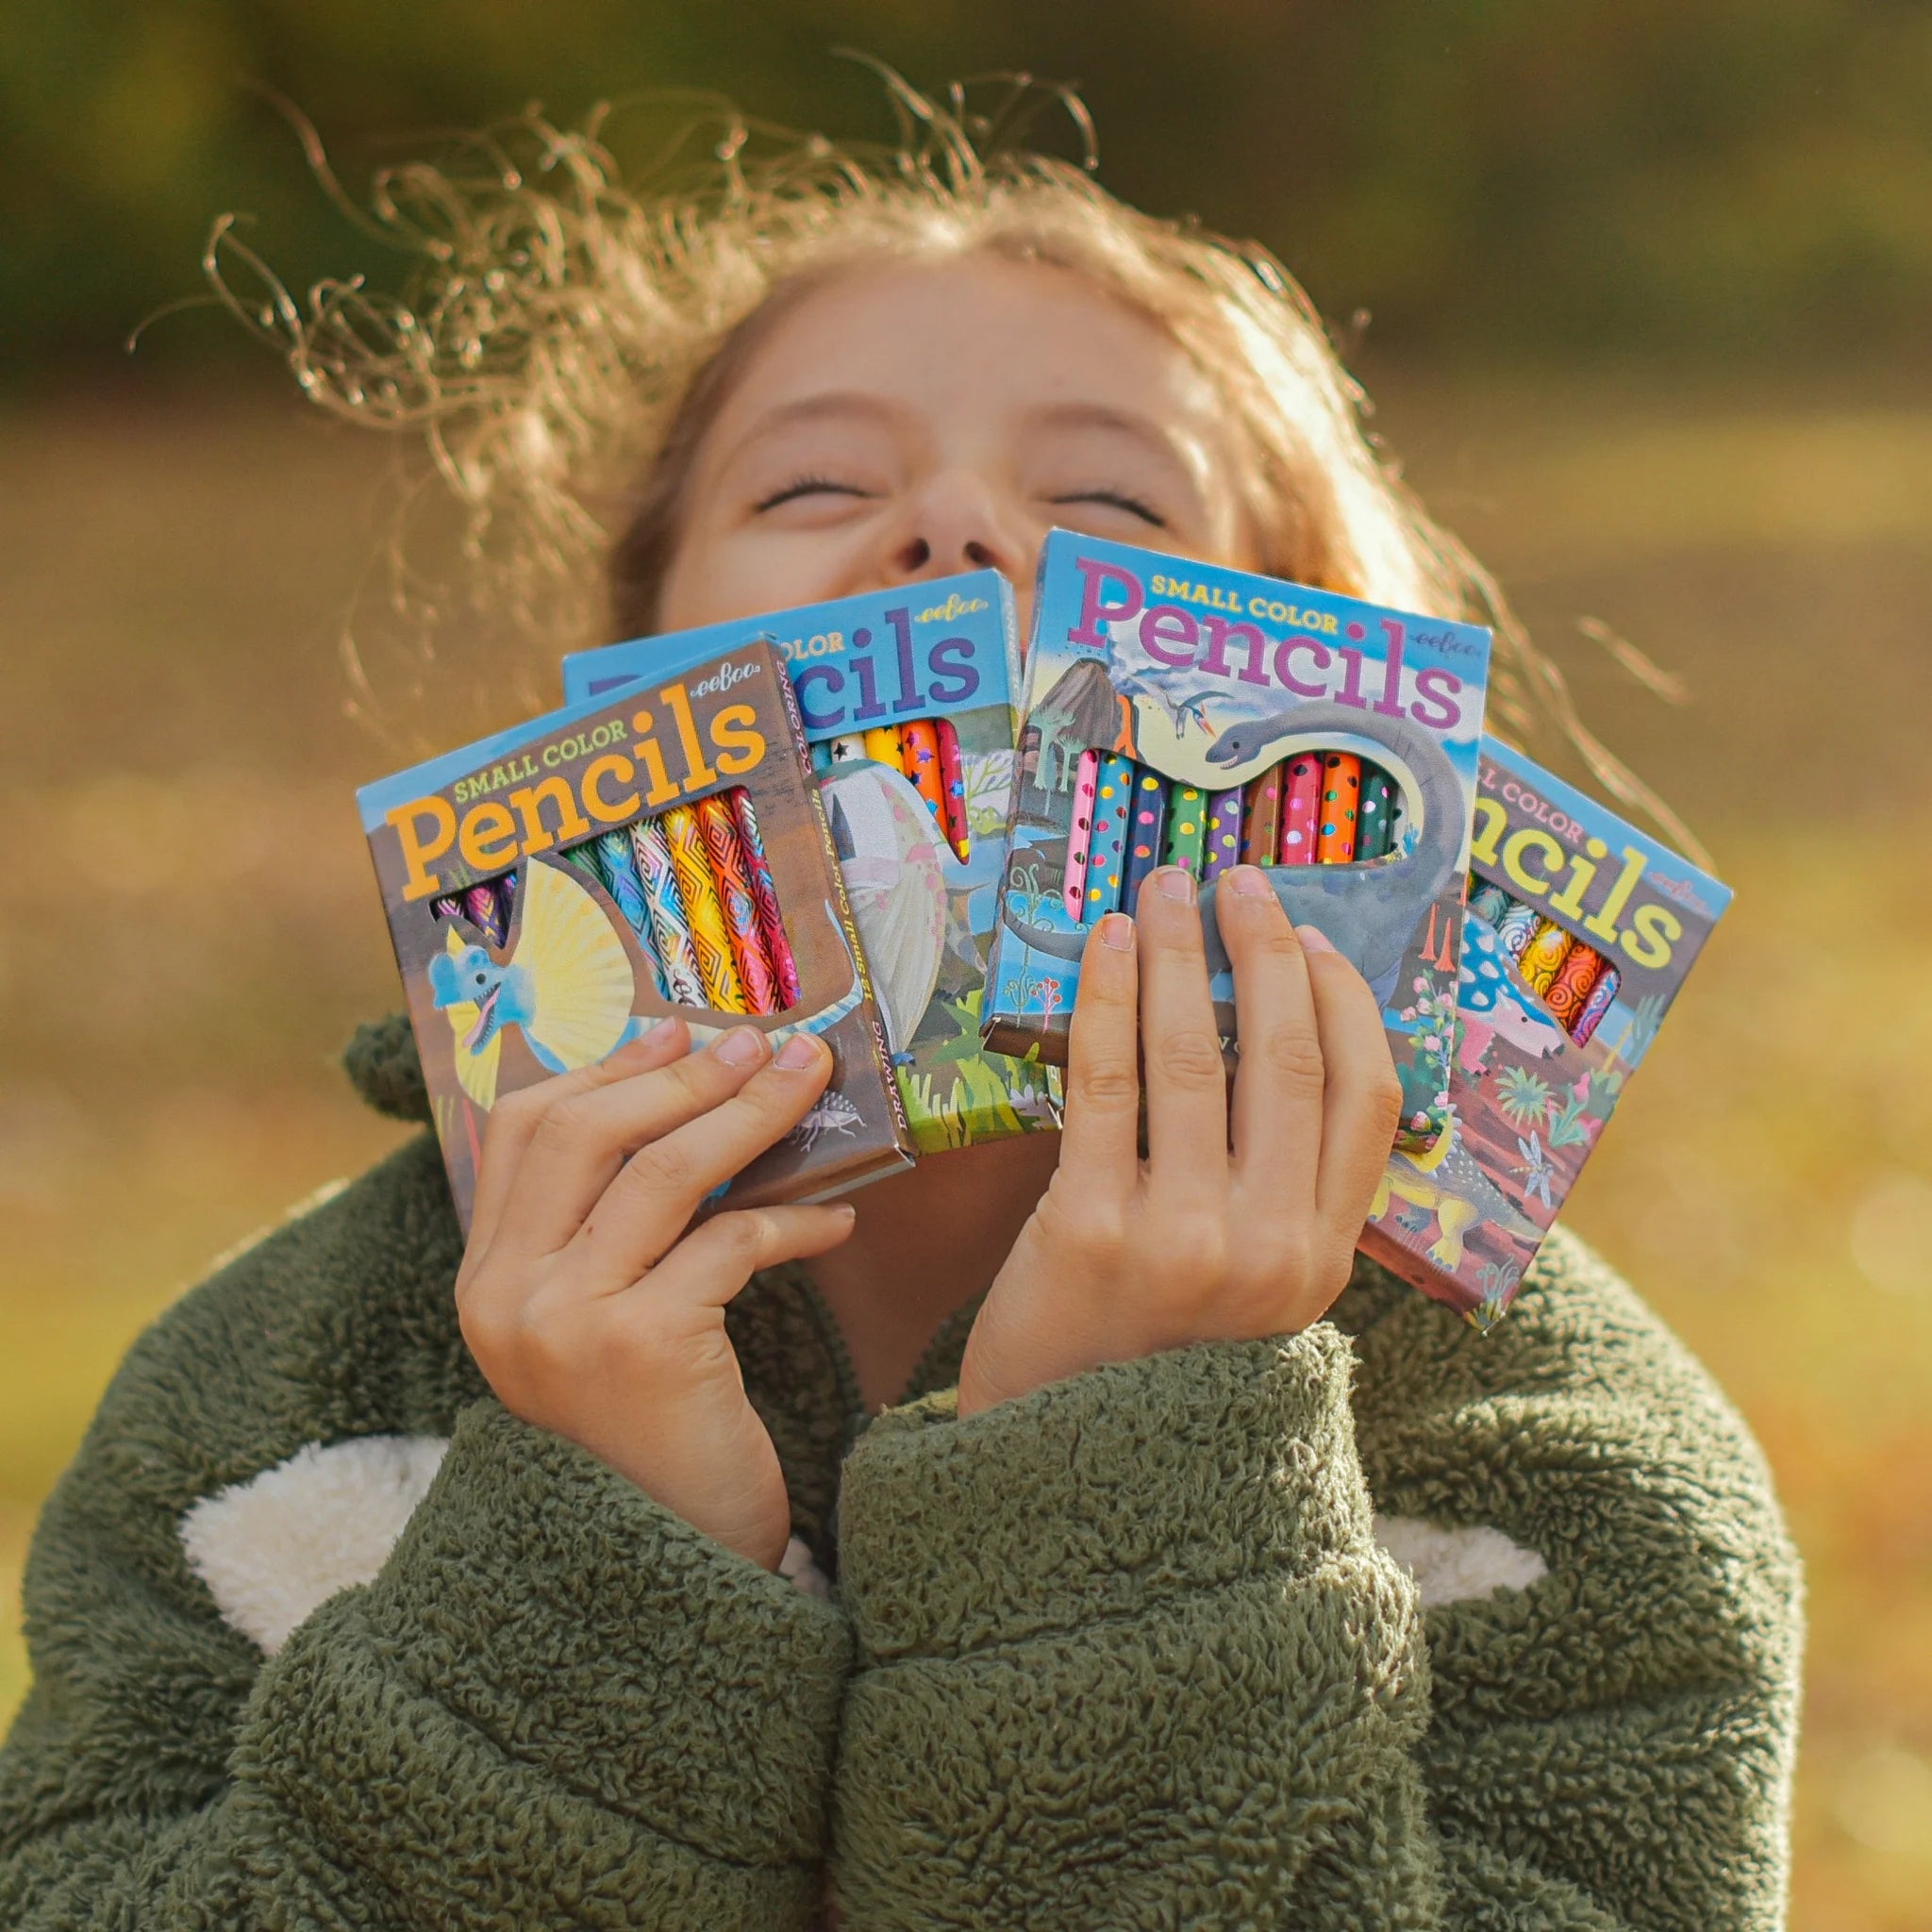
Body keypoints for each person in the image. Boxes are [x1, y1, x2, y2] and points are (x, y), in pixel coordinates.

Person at [0, 87, 1800, 1930]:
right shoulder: (281, 1384)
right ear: (638, 650)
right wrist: (602, 1558)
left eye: (1102, 499)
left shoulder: (1557, 1448)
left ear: (1337, 688)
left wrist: (1128, 1467)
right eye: (813, 487)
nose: (948, 528)